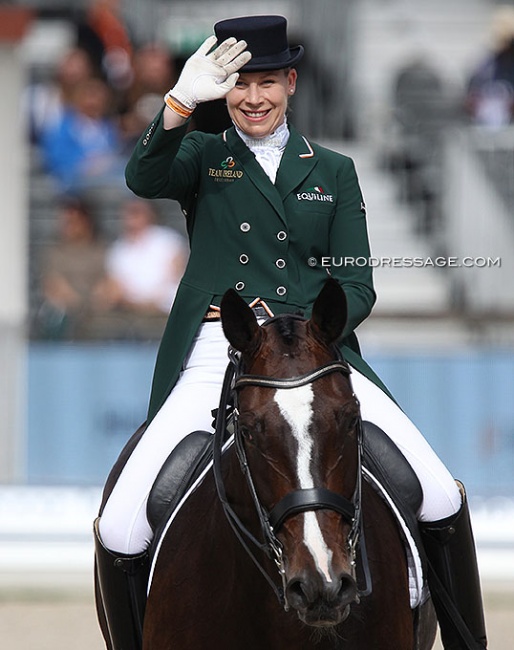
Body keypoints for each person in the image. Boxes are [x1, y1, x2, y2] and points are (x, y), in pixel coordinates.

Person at [94, 16, 487, 650]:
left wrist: (299, 327)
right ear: (222, 88)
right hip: (218, 352)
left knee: (440, 493)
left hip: (319, 358)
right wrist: (178, 105)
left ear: (291, 83)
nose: (253, 97)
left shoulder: (333, 170)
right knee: (120, 526)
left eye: (267, 82)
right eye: (240, 83)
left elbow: (357, 286)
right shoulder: (201, 153)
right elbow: (142, 179)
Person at [37, 196, 108, 339]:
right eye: (65, 222)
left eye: (72, 222)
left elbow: (106, 283)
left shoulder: (101, 250)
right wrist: (79, 304)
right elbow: (54, 286)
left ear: (86, 222)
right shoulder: (55, 252)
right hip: (66, 313)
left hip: (97, 310)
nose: (68, 226)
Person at [103, 197, 187, 315]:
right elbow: (115, 284)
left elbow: (177, 273)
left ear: (150, 215)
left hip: (164, 302)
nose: (131, 219)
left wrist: (154, 300)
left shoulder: (169, 240)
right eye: (129, 213)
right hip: (130, 307)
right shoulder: (118, 249)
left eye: (136, 213)